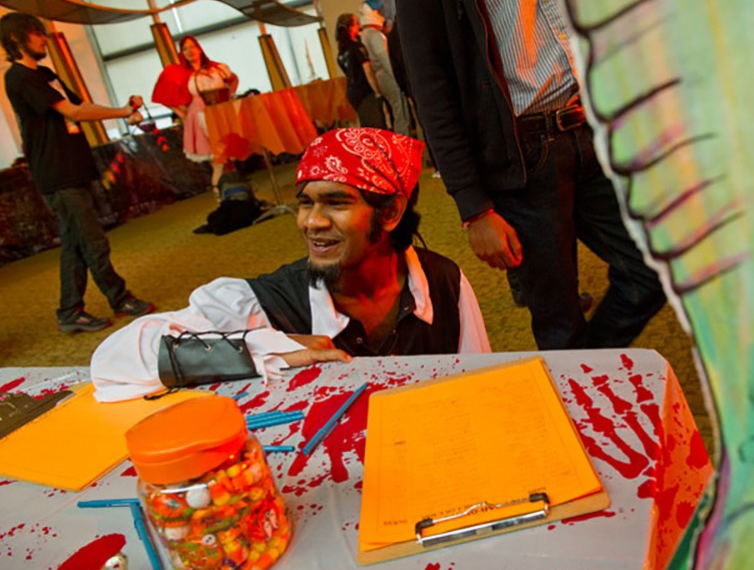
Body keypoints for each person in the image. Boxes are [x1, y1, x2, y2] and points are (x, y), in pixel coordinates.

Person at [91, 128, 491, 401]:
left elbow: (481, 384)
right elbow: (112, 361)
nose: (311, 222)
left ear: (389, 213)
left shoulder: (443, 283)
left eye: (335, 202)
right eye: (305, 203)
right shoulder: (267, 304)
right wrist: (264, 348)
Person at [392, 0, 667, 350]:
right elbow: (430, 83)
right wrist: (473, 207)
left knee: (652, 267)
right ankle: (575, 371)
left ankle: (584, 362)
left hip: (590, 126)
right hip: (522, 156)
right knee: (559, 322)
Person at [1, 12, 155, 333]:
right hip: (56, 174)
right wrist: (122, 112)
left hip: (74, 168)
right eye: (36, 33)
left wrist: (124, 112)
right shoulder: (18, 77)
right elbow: (73, 111)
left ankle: (69, 311)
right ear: (16, 38)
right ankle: (120, 299)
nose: (43, 38)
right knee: (93, 242)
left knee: (74, 245)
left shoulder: (45, 74)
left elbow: (82, 106)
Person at [151, 35, 239, 199]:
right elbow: (163, 95)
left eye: (192, 47)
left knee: (229, 160)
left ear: (199, 48)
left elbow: (233, 80)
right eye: (185, 49)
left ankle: (235, 195)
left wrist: (230, 95)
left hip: (221, 114)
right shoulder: (179, 73)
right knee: (218, 161)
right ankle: (221, 199)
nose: (189, 51)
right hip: (201, 117)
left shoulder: (216, 68)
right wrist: (182, 113)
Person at [358, 0, 414, 136]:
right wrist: (398, 76)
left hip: (381, 76)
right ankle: (403, 140)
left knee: (397, 110)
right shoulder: (373, 34)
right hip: (388, 76)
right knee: (400, 112)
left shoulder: (365, 34)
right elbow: (385, 59)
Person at [334, 13, 387, 129]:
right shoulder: (357, 47)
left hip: (353, 93)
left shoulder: (341, 53)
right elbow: (368, 71)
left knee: (367, 124)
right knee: (377, 126)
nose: (359, 26)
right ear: (350, 28)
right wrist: (377, 91)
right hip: (365, 91)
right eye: (356, 24)